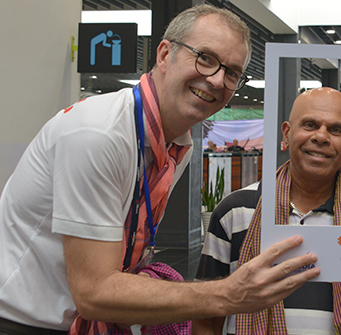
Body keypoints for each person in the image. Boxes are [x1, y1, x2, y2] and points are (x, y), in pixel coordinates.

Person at [0, 5, 319, 335]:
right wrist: (230, 294)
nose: (217, 80)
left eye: (233, 72)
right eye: (205, 58)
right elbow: (94, 293)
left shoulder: (177, 144)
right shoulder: (100, 135)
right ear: (165, 54)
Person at [194, 88, 341, 335]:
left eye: (335, 130)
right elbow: (206, 317)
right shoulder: (235, 211)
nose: (321, 136)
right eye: (309, 125)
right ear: (286, 133)